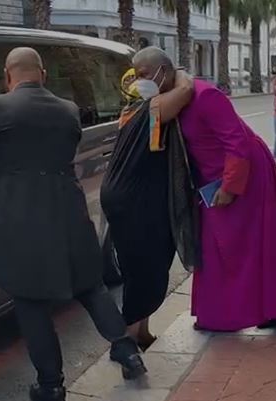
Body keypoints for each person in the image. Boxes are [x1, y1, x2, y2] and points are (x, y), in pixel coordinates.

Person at [0, 48, 145, 401]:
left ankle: (51, 385)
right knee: (89, 283)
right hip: (68, 210)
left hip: (20, 218)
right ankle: (127, 350)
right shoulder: (68, 110)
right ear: (42, 74)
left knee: (29, 299)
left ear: (8, 76)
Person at [133, 47, 276, 331]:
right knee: (215, 248)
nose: (138, 81)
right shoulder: (173, 96)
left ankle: (273, 307)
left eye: (143, 75)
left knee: (253, 244)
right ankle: (219, 313)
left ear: (162, 72)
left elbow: (236, 141)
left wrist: (230, 186)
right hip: (211, 178)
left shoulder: (205, 96)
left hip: (243, 173)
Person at [100, 64, 199, 349]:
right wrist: (177, 71)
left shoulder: (132, 109)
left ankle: (140, 331)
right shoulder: (149, 109)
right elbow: (186, 89)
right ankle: (127, 338)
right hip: (134, 200)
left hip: (125, 197)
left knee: (137, 266)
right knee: (146, 267)